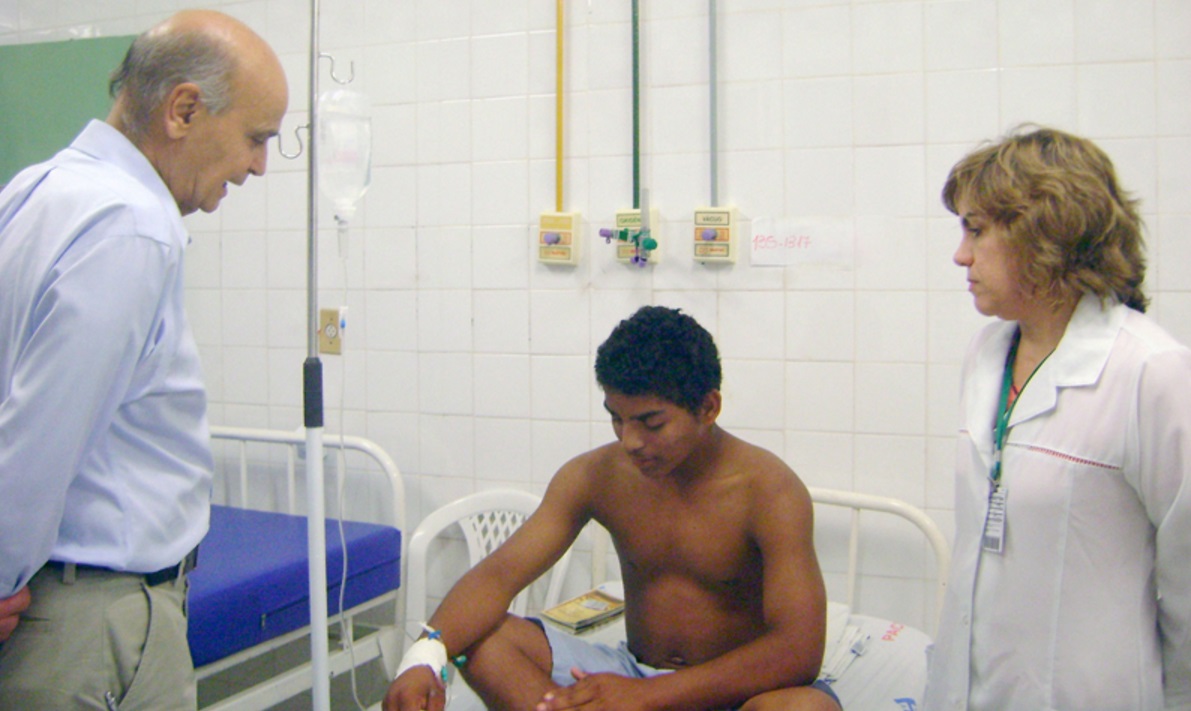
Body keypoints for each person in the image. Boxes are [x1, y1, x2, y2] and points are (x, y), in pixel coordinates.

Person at [0, 10, 287, 709]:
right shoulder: (131, 226)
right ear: (183, 110)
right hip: (88, 620)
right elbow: (39, 438)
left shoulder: (32, 192)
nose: (258, 166)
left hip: (59, 606)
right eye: (255, 138)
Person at [385, 305, 840, 711]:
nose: (630, 441)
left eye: (650, 422)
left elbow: (798, 649)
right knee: (480, 637)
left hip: (733, 690)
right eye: (616, 418)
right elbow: (497, 576)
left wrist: (645, 698)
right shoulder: (595, 476)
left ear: (708, 408)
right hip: (632, 673)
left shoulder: (769, 491)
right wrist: (423, 656)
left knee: (805, 709)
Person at [924, 126, 1191, 710]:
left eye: (976, 230)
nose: (961, 255)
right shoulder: (988, 352)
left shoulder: (1151, 371)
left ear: (1043, 232)